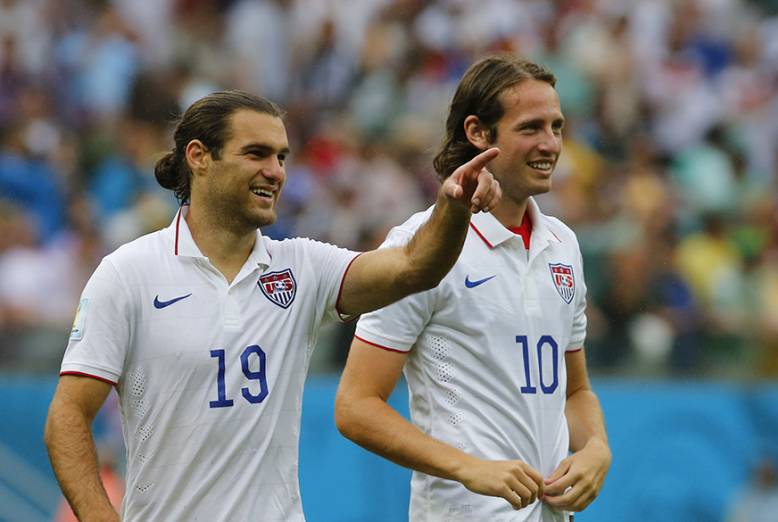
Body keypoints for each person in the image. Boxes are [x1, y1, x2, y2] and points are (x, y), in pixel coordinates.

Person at [44, 90, 502, 521]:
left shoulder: (302, 266)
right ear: (199, 157)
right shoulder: (128, 274)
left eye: (281, 157)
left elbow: (411, 267)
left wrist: (452, 208)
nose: (276, 171)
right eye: (256, 153)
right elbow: (67, 418)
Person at [334, 55, 612, 521]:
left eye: (557, 127)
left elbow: (575, 391)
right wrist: (468, 469)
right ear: (478, 133)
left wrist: (597, 449)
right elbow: (355, 406)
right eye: (531, 128)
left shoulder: (563, 244)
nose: (550, 144)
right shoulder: (419, 249)